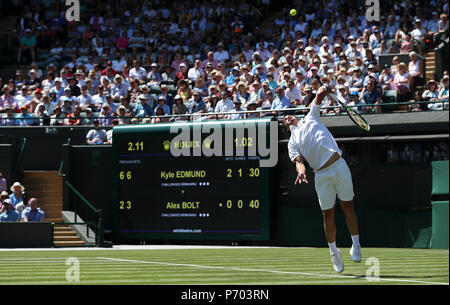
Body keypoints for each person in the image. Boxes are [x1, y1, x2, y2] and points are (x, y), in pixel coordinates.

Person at [284, 85, 361, 273]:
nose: (288, 117)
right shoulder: (292, 142)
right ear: (286, 127)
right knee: (328, 214)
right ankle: (334, 252)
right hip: (321, 175)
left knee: (348, 206)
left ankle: (356, 245)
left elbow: (319, 95)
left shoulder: (311, 116)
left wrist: (325, 87)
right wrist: (301, 171)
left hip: (339, 166)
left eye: (289, 115)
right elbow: (298, 161)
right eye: (284, 119)